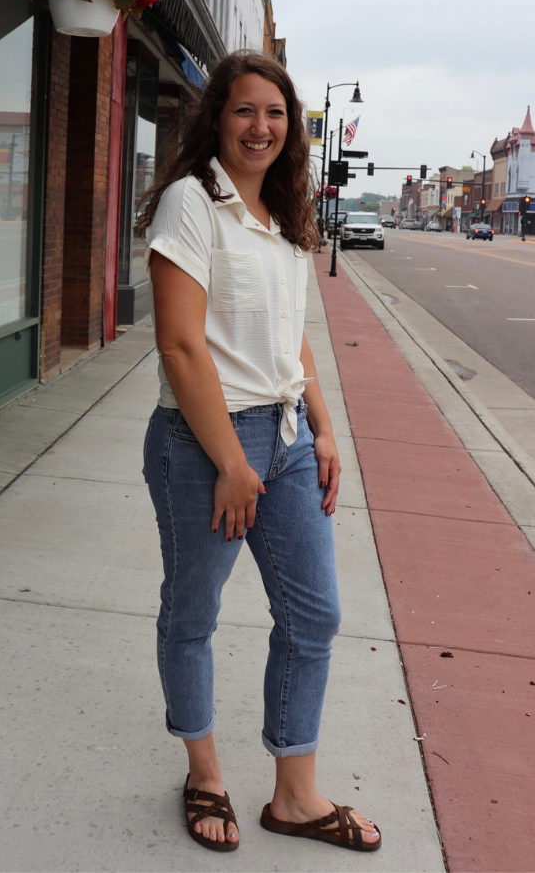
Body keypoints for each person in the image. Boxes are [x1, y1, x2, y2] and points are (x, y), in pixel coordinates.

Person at [139, 50, 381, 855]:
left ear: (292, 129)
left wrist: (323, 426)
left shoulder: (281, 218)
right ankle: (204, 773)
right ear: (217, 117)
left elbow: (293, 340)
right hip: (206, 442)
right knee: (194, 614)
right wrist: (231, 464)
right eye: (245, 110)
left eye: (275, 114)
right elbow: (179, 344)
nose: (261, 126)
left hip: (281, 436)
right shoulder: (191, 203)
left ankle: (295, 796)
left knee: (315, 614)